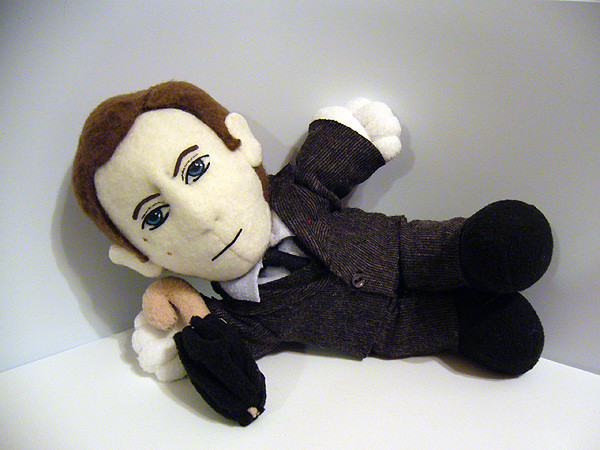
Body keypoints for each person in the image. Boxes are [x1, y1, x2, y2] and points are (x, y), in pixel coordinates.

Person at [73, 81, 552, 425]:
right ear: (140, 256)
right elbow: (238, 383)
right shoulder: (245, 316)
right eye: (154, 216)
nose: (198, 215)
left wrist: (352, 136)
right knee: (476, 333)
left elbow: (320, 170)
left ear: (240, 145)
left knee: (481, 244)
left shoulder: (292, 194)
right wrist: (189, 326)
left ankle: (474, 249)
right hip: (383, 331)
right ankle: (467, 325)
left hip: (400, 249)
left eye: (195, 168)